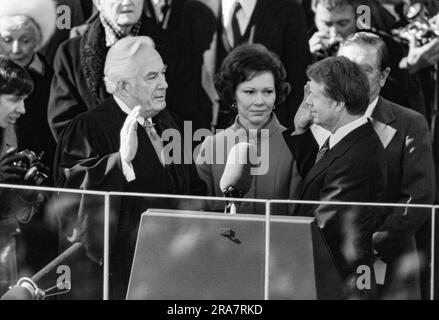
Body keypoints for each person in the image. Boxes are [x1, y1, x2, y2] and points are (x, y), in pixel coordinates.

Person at [54, 36, 204, 299]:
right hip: (121, 275)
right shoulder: (87, 128)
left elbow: (192, 189)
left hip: (174, 266)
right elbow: (75, 210)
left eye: (163, 74)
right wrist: (121, 161)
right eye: (152, 77)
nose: (164, 84)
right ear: (123, 86)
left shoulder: (171, 123)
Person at [334, 32, 435, 299]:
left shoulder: (409, 123)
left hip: (390, 267)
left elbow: (419, 199)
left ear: (382, 76)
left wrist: (370, 244)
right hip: (327, 265)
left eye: (365, 70)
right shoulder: (313, 122)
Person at [283, 56, 386, 299]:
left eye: (314, 95)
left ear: (339, 103)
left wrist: (278, 250)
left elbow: (325, 225)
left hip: (336, 283)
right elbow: (319, 176)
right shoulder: (347, 142)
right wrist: (300, 131)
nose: (307, 102)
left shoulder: (358, 155)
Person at [48, 0, 196, 141]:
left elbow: (189, 115)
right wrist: (111, 159)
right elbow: (65, 125)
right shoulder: (70, 54)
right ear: (98, 2)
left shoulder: (176, 48)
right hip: (99, 163)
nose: (127, 1)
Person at [196, 43, 301, 215]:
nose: (260, 101)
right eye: (250, 92)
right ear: (232, 94)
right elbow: (201, 215)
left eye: (267, 92)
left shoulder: (294, 146)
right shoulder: (210, 146)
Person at [180, 0, 310, 130]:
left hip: (267, 136)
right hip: (205, 132)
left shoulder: (289, 9)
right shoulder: (193, 6)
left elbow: (298, 86)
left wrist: (292, 143)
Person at [0, 54, 44, 299]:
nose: (22, 109)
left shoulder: (7, 133)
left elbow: (15, 215)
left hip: (2, 256)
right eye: (15, 99)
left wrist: (25, 192)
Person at [0, 0, 58, 180]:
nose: (16, 48)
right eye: (7, 39)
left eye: (25, 40)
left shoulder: (53, 79)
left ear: (37, 41)